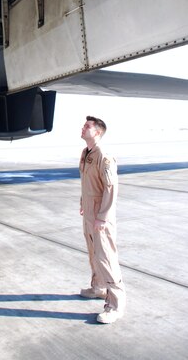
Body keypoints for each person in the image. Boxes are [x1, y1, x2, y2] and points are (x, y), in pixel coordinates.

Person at [79, 116, 126, 324]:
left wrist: (103, 217)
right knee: (93, 252)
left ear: (97, 132)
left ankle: (116, 304)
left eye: (87, 126)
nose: (83, 128)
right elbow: (87, 182)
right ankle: (98, 287)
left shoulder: (104, 157)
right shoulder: (86, 153)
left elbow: (110, 189)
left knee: (105, 256)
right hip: (89, 212)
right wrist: (83, 201)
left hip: (100, 214)